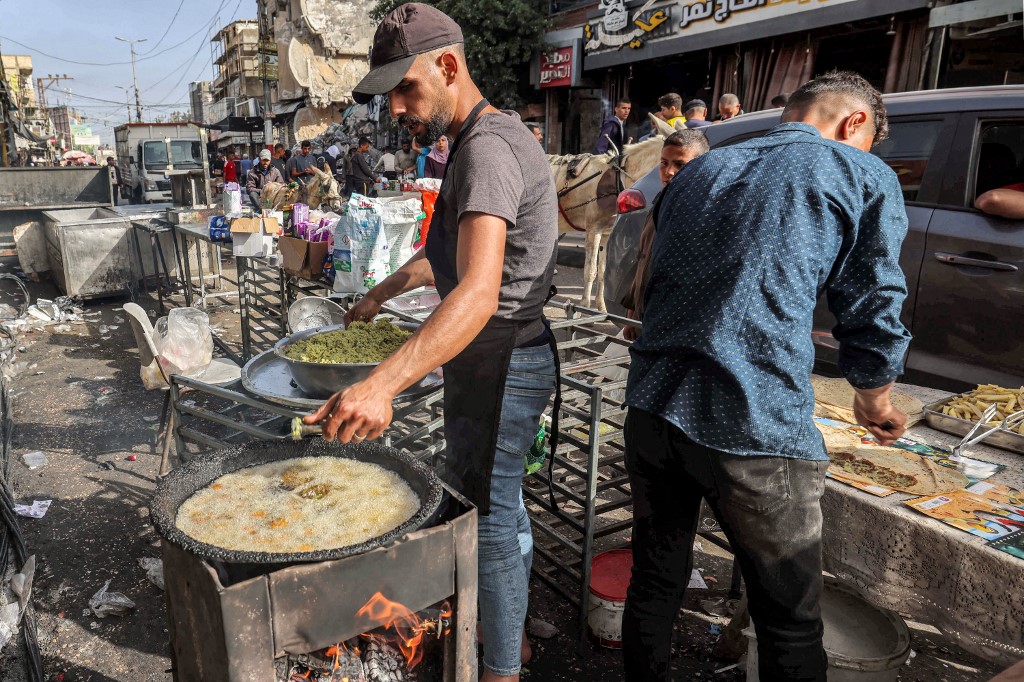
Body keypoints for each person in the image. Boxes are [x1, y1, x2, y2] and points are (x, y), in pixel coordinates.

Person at [622, 70, 913, 682]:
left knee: (655, 578)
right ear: (854, 121)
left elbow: (653, 281)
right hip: (752, 422)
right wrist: (876, 397)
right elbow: (873, 299)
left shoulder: (700, 169)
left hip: (653, 407)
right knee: (789, 620)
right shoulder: (858, 170)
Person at [306, 5, 559, 682]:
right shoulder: (475, 141)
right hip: (490, 355)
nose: (397, 108)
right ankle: (511, 639)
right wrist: (376, 296)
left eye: (406, 88)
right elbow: (441, 254)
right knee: (496, 502)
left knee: (492, 519)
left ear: (449, 66)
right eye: (389, 94)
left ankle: (502, 670)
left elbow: (476, 292)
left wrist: (380, 385)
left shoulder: (487, 150)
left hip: (505, 356)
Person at [621, 130, 709, 340]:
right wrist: (632, 314)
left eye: (679, 164)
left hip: (674, 324)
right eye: (664, 163)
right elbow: (643, 259)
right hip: (646, 315)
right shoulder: (659, 203)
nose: (669, 172)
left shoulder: (702, 211)